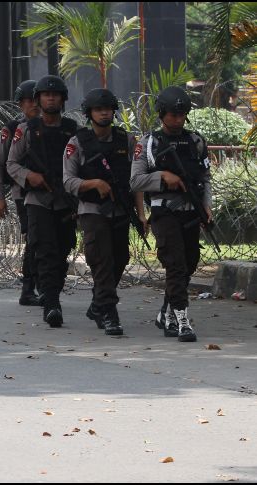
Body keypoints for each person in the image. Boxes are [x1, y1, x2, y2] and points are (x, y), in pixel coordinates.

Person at [130, 86, 212, 343]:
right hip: (164, 211)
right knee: (175, 264)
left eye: (182, 114)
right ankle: (182, 320)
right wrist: (163, 177)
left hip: (191, 211)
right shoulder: (149, 144)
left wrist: (207, 206)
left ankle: (166, 311)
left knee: (189, 263)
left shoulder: (196, 142)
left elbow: (205, 178)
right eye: (173, 114)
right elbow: (136, 181)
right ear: (162, 114)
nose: (177, 119)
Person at [63, 88, 147, 336]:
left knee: (120, 258)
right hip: (92, 210)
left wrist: (141, 214)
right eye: (99, 110)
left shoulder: (127, 140)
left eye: (108, 109)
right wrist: (93, 184)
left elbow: (137, 181)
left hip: (121, 210)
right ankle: (109, 312)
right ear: (89, 113)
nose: (104, 113)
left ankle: (98, 303)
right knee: (102, 260)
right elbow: (68, 181)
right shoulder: (77, 143)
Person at [6, 75, 79, 328]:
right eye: (46, 95)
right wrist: (30, 177)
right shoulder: (26, 130)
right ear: (39, 99)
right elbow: (11, 164)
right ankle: (51, 304)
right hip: (38, 200)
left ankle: (53, 293)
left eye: (55, 95)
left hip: (65, 200)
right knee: (44, 250)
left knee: (62, 250)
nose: (51, 98)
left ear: (62, 99)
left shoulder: (73, 130)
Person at [0, 79, 42, 307]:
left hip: (51, 193)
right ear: (21, 104)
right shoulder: (13, 129)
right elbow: (1, 164)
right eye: (29, 101)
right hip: (22, 192)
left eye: (37, 100)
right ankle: (28, 288)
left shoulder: (52, 126)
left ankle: (43, 285)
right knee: (34, 239)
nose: (34, 104)